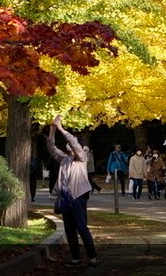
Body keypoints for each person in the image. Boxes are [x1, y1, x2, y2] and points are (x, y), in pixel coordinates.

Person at [47, 115, 98, 268]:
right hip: (66, 198)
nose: (69, 146)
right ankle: (75, 258)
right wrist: (52, 131)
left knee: (82, 227)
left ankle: (92, 257)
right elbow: (52, 148)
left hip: (79, 196)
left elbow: (74, 144)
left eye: (72, 144)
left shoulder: (82, 157)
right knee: (69, 229)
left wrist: (62, 128)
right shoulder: (65, 159)